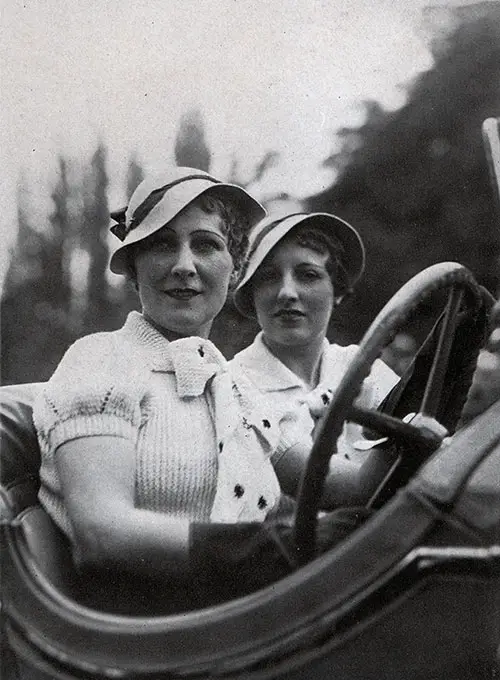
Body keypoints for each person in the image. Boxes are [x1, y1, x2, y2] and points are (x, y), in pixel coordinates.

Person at [32, 166, 291, 591]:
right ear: (134, 268)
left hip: (243, 616)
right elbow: (102, 535)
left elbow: (342, 481)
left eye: (206, 245)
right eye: (161, 245)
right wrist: (269, 547)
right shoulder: (102, 360)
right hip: (148, 637)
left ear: (234, 267)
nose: (184, 265)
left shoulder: (234, 385)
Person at [230, 212, 444, 509]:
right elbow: (340, 490)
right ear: (251, 294)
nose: (287, 293)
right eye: (268, 277)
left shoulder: (360, 366)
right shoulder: (235, 386)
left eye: (308, 275)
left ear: (338, 291)